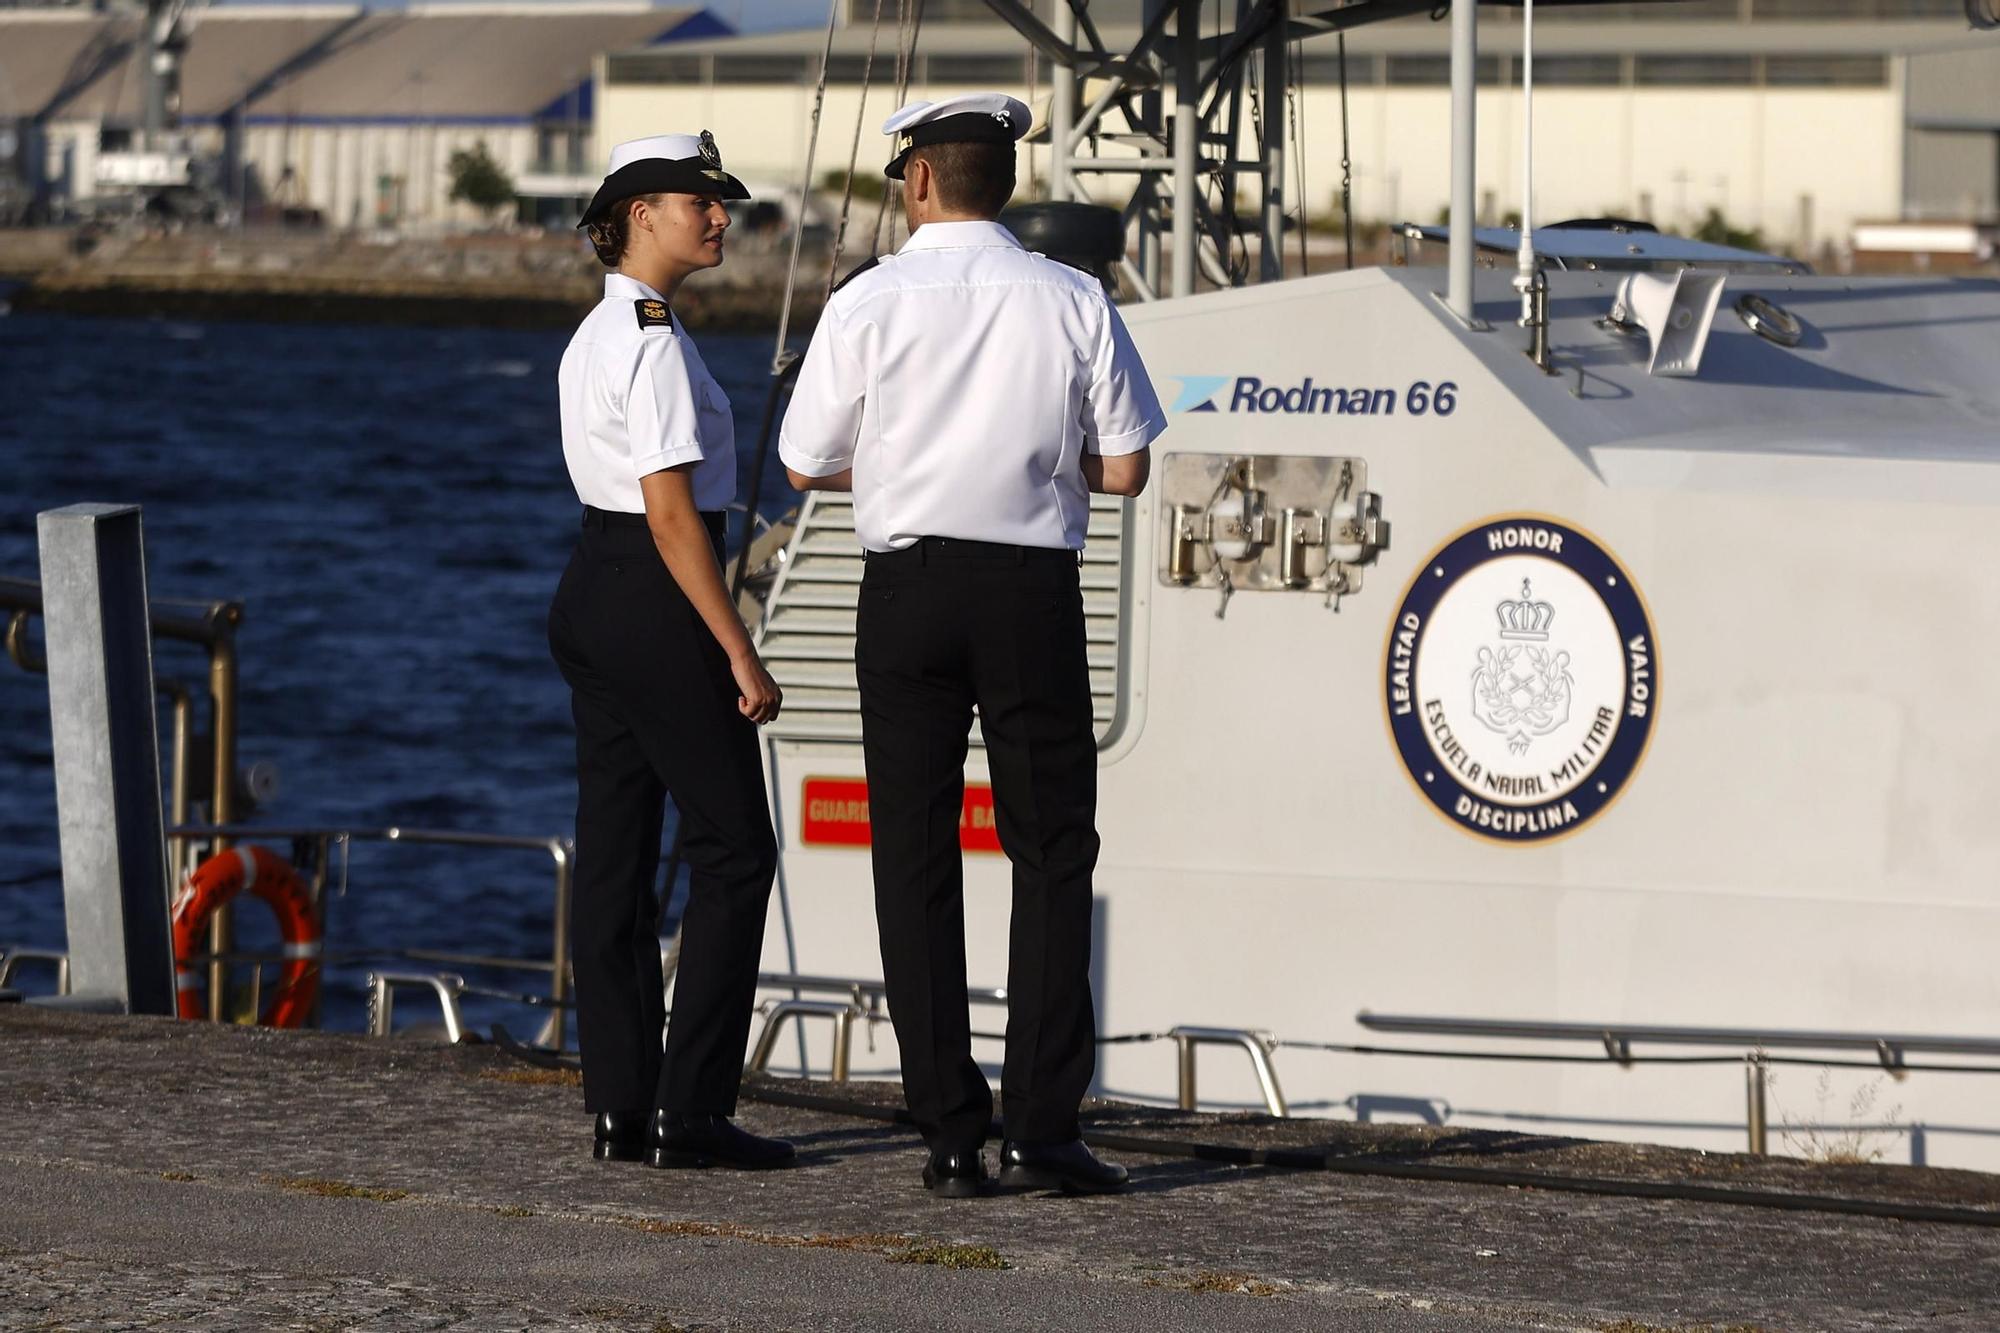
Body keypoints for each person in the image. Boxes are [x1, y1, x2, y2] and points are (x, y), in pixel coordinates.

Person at [777, 94, 1167, 1197]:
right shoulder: (1073, 295)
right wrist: (1034, 464)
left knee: (913, 853)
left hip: (906, 592)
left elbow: (803, 462)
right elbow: (1127, 468)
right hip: (1027, 591)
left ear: (917, 180)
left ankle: (948, 1133)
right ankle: (1041, 1130)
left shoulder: (866, 300)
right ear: (1006, 184)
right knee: (1051, 851)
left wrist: (901, 467)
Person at [547, 132, 793, 1171]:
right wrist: (738, 649)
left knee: (615, 855)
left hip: (593, 588)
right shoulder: (649, 338)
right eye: (701, 201)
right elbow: (670, 512)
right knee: (734, 849)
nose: (720, 217)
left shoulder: (599, 330)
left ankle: (620, 1103)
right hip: (656, 593)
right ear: (641, 213)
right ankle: (688, 1111)